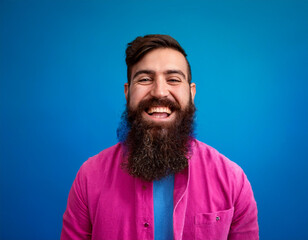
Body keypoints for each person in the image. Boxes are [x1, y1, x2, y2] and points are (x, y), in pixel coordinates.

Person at [61, 34, 259, 240]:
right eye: (145, 79)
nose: (159, 92)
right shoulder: (89, 178)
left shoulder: (233, 181)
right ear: (127, 93)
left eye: (173, 79)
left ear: (191, 93)